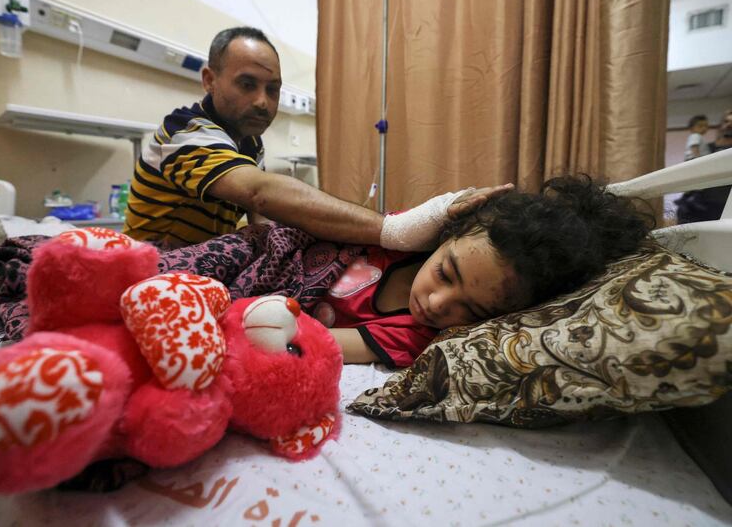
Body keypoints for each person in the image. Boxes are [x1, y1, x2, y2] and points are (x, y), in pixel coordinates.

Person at [123, 26, 504, 250]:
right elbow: (259, 192)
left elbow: (261, 220)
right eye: (247, 84)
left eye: (272, 89)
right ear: (209, 79)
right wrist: (394, 230)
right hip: (153, 273)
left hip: (205, 269)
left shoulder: (247, 143)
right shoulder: (186, 134)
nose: (263, 101)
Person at [320, 175, 654, 367]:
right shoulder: (406, 235)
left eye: (471, 310)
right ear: (446, 234)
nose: (438, 304)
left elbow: (318, 342)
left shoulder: (415, 336)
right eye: (446, 274)